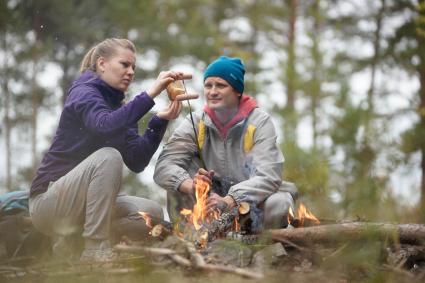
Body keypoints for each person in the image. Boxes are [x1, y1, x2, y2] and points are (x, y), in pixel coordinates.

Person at [29, 38, 190, 261]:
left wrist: (159, 121)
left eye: (134, 67)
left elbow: (136, 160)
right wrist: (151, 93)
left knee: (151, 211)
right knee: (109, 156)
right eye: (124, 64)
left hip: (84, 210)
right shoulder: (83, 92)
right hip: (50, 204)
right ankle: (95, 250)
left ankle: (72, 243)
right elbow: (104, 125)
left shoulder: (121, 109)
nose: (131, 72)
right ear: (102, 64)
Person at [154, 56, 297, 229]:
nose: (212, 92)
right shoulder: (195, 121)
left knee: (280, 202)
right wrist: (193, 186)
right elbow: (164, 166)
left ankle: (260, 242)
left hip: (248, 206)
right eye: (208, 85)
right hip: (209, 207)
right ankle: (191, 238)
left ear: (237, 91)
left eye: (221, 85)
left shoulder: (259, 121)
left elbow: (269, 175)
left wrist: (230, 199)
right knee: (176, 183)